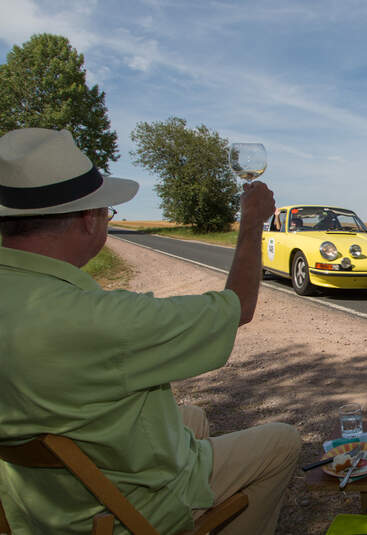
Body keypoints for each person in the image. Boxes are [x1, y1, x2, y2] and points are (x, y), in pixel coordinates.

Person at [0, 128, 300, 534]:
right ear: (89, 219)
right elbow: (238, 308)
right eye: (108, 212)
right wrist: (251, 222)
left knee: (191, 417)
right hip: (114, 511)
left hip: (38, 501)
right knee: (282, 442)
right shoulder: (100, 318)